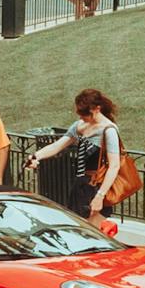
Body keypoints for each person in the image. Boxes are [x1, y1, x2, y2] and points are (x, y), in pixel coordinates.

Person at [30, 89, 124, 221]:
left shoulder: (109, 130)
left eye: (85, 114)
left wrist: (100, 196)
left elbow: (114, 166)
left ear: (97, 109)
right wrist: (36, 156)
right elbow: (58, 145)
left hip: (96, 186)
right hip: (79, 186)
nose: (81, 117)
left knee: (92, 234)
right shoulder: (79, 126)